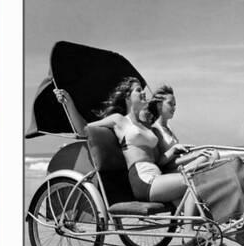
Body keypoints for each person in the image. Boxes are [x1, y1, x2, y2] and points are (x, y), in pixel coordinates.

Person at [54, 78, 197, 224]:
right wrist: (69, 103)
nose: (143, 93)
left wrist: (176, 151)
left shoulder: (146, 125)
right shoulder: (119, 120)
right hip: (143, 178)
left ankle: (201, 233)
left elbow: (159, 158)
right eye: (138, 90)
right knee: (192, 179)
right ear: (127, 97)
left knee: (198, 190)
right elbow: (84, 130)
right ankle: (188, 231)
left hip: (157, 175)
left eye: (142, 90)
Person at [148, 85, 218, 173]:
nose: (174, 108)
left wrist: (192, 154)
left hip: (179, 167)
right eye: (170, 104)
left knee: (212, 152)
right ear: (159, 105)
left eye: (174, 105)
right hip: (172, 172)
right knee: (211, 155)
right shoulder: (156, 129)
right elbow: (162, 163)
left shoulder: (168, 128)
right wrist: (193, 155)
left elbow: (176, 158)